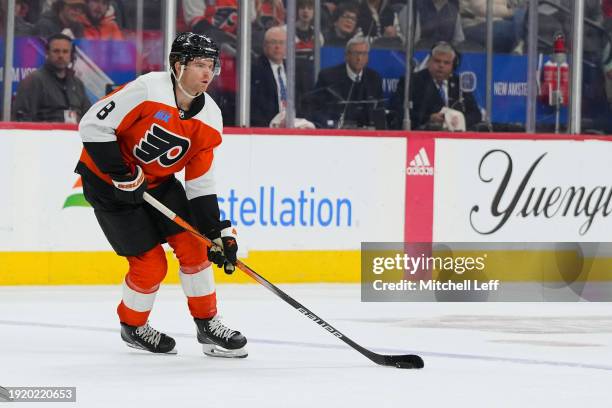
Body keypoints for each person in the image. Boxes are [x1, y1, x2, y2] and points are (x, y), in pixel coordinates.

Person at [74, 32, 248, 357]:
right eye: (198, 64)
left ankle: (208, 325)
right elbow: (92, 126)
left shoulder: (210, 117)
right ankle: (133, 326)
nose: (207, 73)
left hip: (159, 183)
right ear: (177, 64)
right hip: (108, 184)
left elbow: (200, 183)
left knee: (196, 246)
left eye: (211, 65)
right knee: (151, 264)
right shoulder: (148, 89)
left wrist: (216, 232)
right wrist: (120, 174)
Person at [389, 41, 481, 130]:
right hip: (424, 136)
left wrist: (458, 121)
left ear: (453, 66)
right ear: (429, 62)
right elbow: (399, 112)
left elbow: (476, 114)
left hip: (456, 137)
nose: (441, 65)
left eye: (446, 63)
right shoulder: (411, 82)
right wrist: (429, 118)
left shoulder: (459, 83)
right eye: (437, 61)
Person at [308, 35, 384, 128]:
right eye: (356, 53)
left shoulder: (374, 78)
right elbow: (315, 109)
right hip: (337, 133)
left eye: (364, 54)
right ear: (347, 56)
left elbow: (379, 111)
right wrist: (332, 125)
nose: (359, 58)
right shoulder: (328, 77)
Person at [13, 34, 91, 123]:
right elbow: (22, 119)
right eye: (56, 51)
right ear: (47, 53)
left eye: (65, 51)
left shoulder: (77, 83)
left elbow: (89, 117)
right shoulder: (34, 80)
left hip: (74, 135)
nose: (61, 55)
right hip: (45, 135)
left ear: (71, 55)